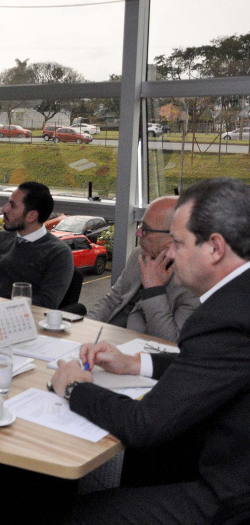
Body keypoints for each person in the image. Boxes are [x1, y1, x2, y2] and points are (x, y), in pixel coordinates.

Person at [51, 178, 250, 523]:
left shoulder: (224, 317)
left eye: (178, 243)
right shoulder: (239, 301)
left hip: (232, 497)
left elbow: (144, 425)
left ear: (215, 248)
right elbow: (210, 364)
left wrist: (74, 387)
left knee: (69, 516)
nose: (170, 253)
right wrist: (134, 363)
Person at [87, 196, 199, 342]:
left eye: (145, 230)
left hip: (139, 353)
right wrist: (85, 327)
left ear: (172, 236)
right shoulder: (139, 254)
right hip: (106, 338)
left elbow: (171, 343)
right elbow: (112, 299)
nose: (138, 233)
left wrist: (154, 290)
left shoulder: (194, 282)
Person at [0, 181, 74, 309]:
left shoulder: (59, 253)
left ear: (31, 216)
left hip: (27, 323)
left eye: (12, 205)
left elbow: (46, 303)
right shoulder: (0, 238)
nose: (4, 209)